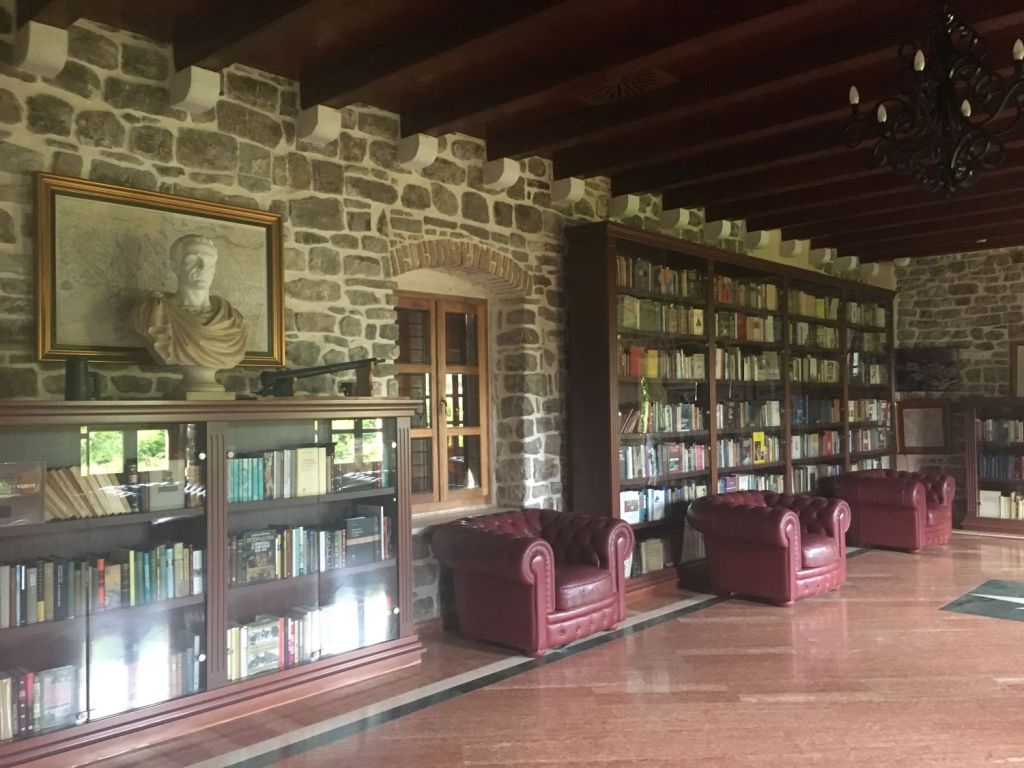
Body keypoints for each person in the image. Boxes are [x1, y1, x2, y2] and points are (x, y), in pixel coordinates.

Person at [131, 234, 247, 372]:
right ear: (175, 266)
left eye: (210, 261)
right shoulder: (153, 311)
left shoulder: (232, 318)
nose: (203, 267)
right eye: (193, 260)